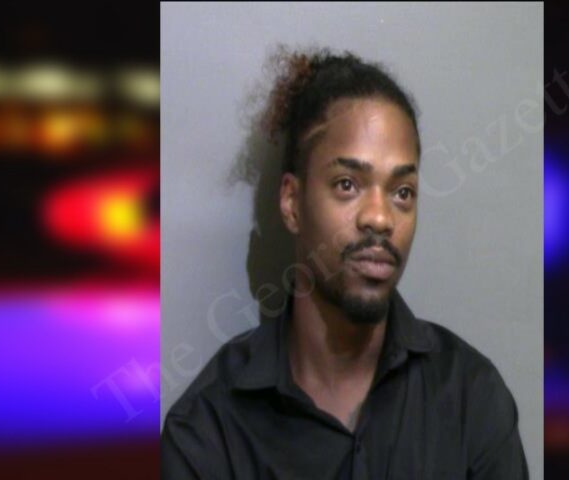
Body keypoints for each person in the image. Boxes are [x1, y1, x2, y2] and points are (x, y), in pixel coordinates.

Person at [161, 46, 528, 479]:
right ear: (292, 202)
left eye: (402, 192)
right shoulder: (209, 429)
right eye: (347, 184)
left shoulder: (472, 397)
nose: (380, 218)